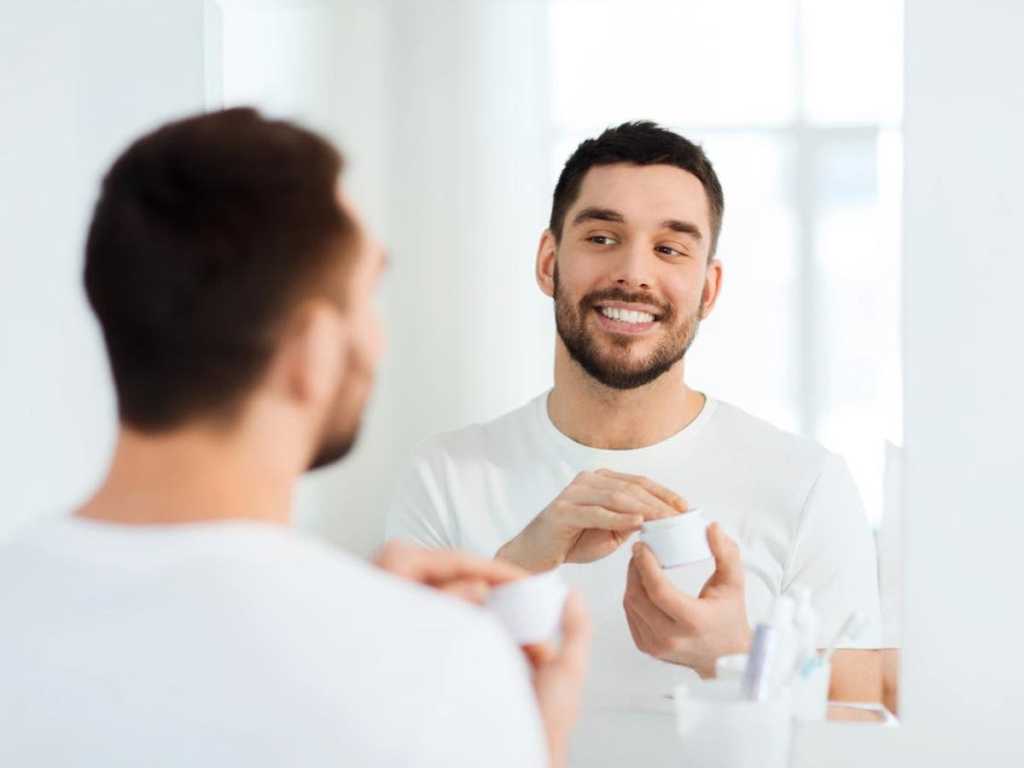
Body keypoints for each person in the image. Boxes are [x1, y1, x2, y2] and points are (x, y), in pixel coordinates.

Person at [0, 108, 589, 768]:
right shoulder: (439, 672)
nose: (377, 334)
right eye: (368, 293)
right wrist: (529, 740)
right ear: (310, 351)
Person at [386, 122, 883, 724]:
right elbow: (395, 710)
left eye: (671, 249)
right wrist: (516, 568)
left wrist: (732, 658)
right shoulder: (445, 475)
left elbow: (865, 729)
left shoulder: (808, 483)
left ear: (709, 288)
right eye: (601, 236)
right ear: (549, 262)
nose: (634, 273)